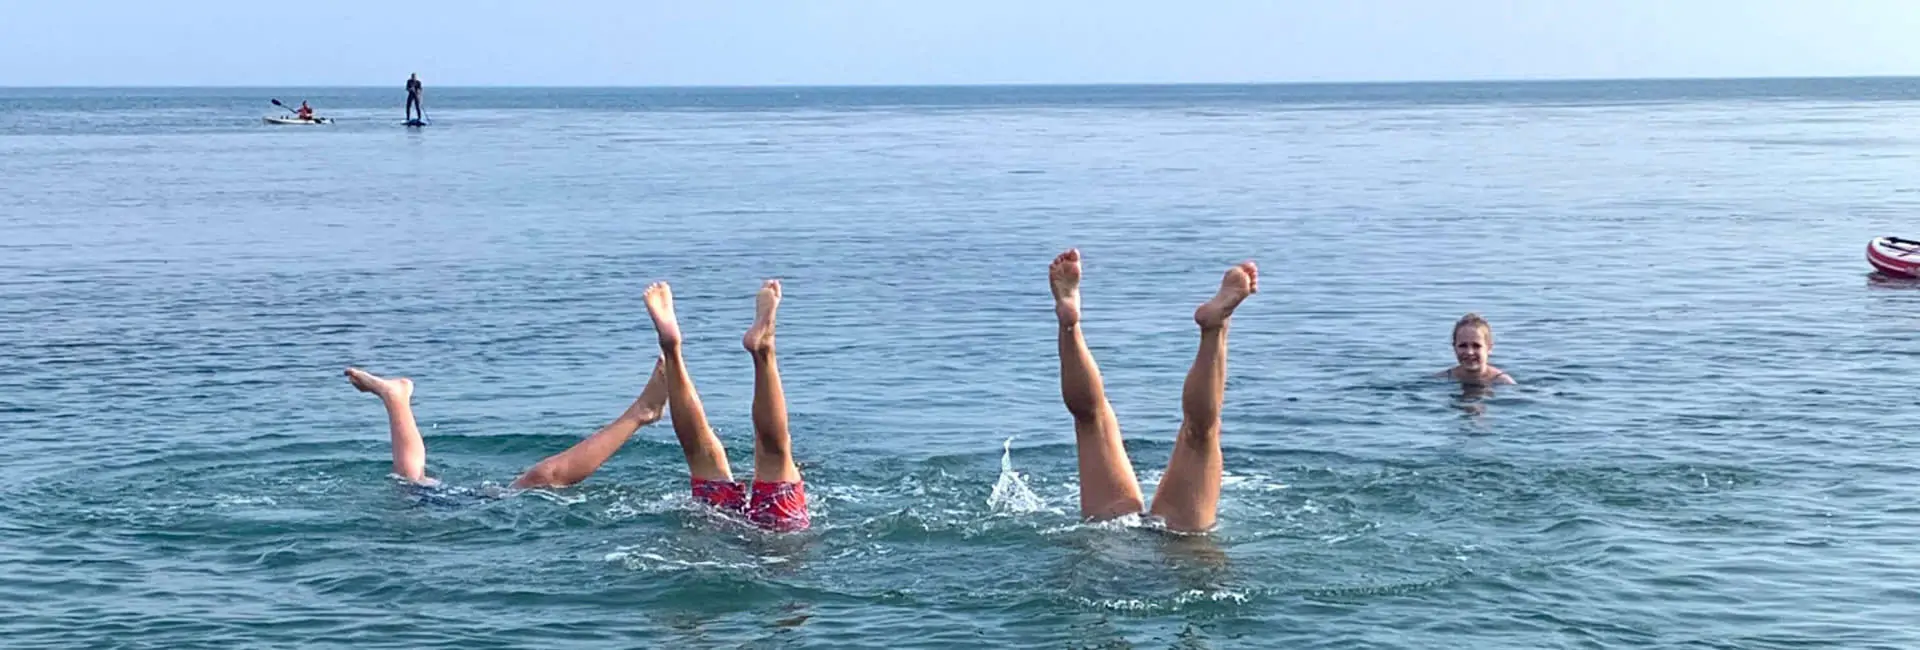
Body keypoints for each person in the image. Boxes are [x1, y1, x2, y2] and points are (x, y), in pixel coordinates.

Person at [1049, 248, 1258, 534]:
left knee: (1091, 421)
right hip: (1184, 551)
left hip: (1111, 542)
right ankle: (1215, 329)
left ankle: (1069, 327)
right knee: (1200, 434)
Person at [343, 358, 669, 490]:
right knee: (542, 478)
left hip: (458, 510)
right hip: (463, 511)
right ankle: (641, 412)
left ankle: (395, 397)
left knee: (411, 483)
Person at [643, 279, 811, 532]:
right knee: (767, 454)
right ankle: (763, 349)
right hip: (780, 540)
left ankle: (672, 349)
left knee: (763, 455)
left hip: (721, 528)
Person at [1438, 313, 1515, 385]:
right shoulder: (1442, 379)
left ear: (1489, 348)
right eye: (1463, 346)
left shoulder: (1503, 382)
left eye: (1476, 346)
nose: (1469, 352)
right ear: (1454, 348)